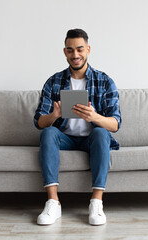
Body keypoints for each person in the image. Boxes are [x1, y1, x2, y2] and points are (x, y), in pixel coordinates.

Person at [33, 29, 121, 226]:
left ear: (88, 50)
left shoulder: (104, 81)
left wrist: (95, 116)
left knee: (100, 132)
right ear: (65, 52)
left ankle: (96, 203)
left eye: (80, 49)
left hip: (92, 139)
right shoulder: (54, 81)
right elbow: (39, 121)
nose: (75, 55)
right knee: (48, 132)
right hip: (65, 138)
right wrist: (54, 115)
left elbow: (115, 124)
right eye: (70, 50)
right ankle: (53, 202)